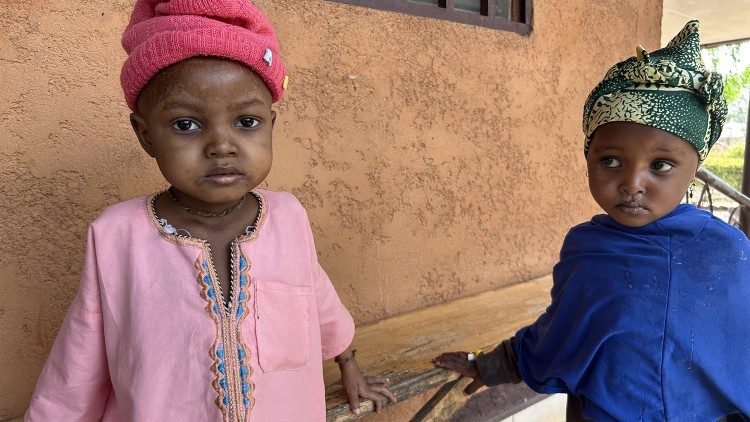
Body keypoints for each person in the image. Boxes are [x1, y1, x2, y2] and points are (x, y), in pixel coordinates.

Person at [25, 1, 395, 420]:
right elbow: (80, 359)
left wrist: (349, 365)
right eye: (187, 124)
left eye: (247, 122)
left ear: (271, 124)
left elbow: (319, 300)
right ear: (145, 135)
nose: (222, 144)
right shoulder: (117, 236)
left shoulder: (288, 218)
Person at [434, 21, 750, 421]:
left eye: (661, 165)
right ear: (588, 159)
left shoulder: (728, 253)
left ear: (694, 168)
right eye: (611, 161)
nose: (632, 184)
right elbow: (564, 329)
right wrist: (494, 364)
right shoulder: (587, 247)